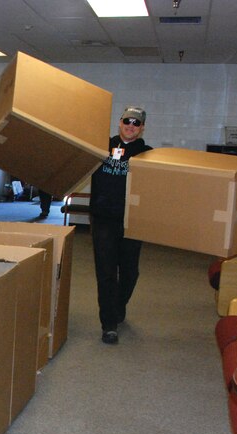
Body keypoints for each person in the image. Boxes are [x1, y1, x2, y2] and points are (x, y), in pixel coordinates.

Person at [89, 106, 153, 345]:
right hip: (103, 217)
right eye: (127, 121)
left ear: (142, 127)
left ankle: (117, 306)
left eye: (136, 123)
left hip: (132, 221)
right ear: (119, 122)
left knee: (129, 272)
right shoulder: (100, 148)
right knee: (106, 273)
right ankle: (109, 325)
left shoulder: (148, 154)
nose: (131, 126)